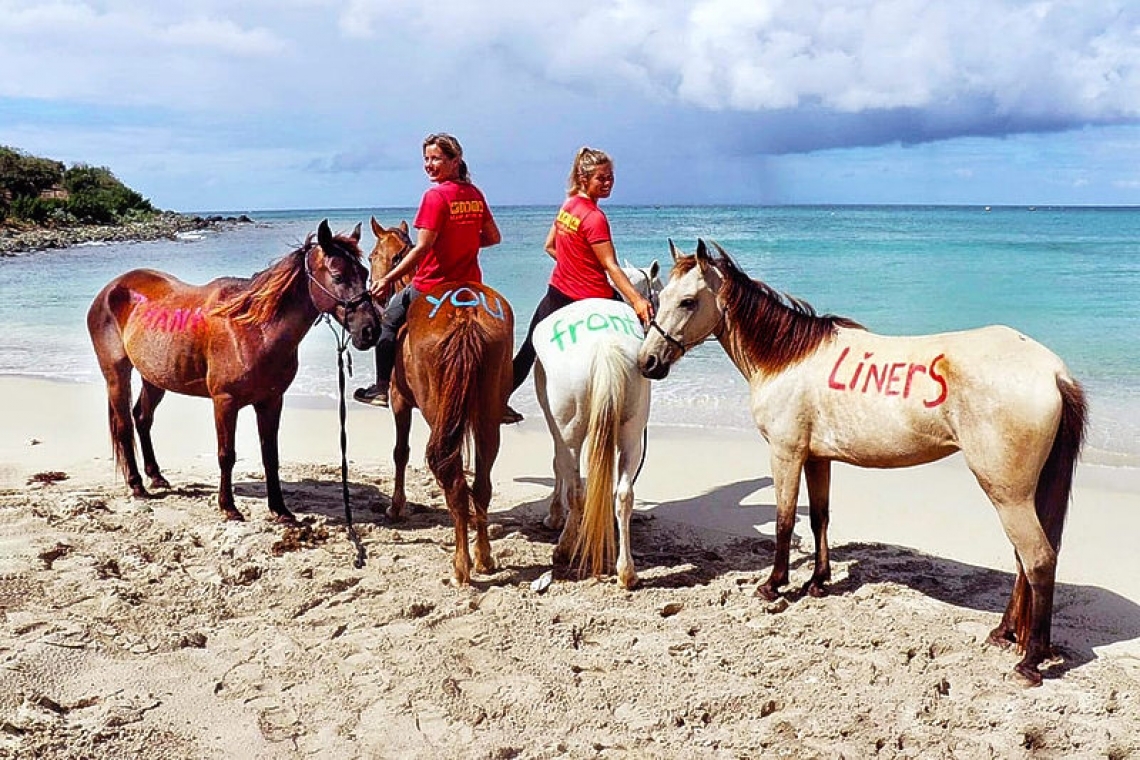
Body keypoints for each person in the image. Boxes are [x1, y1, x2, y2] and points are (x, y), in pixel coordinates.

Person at [504, 147, 653, 423]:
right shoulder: (595, 218)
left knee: (528, 351)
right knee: (643, 345)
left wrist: (573, 267)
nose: (608, 183)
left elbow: (549, 246)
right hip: (596, 297)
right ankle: (637, 408)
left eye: (610, 177)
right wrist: (637, 301)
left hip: (558, 294)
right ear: (584, 179)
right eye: (601, 178)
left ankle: (499, 401)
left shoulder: (568, 205)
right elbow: (610, 266)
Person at [354, 133, 501, 407]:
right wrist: (462, 242)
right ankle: (498, 400)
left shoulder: (434, 196)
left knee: (389, 321)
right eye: (426, 159)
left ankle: (382, 387)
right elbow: (494, 238)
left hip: (431, 285)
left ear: (455, 161)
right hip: (470, 288)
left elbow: (420, 250)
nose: (429, 165)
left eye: (436, 158)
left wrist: (387, 279)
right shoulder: (475, 195)